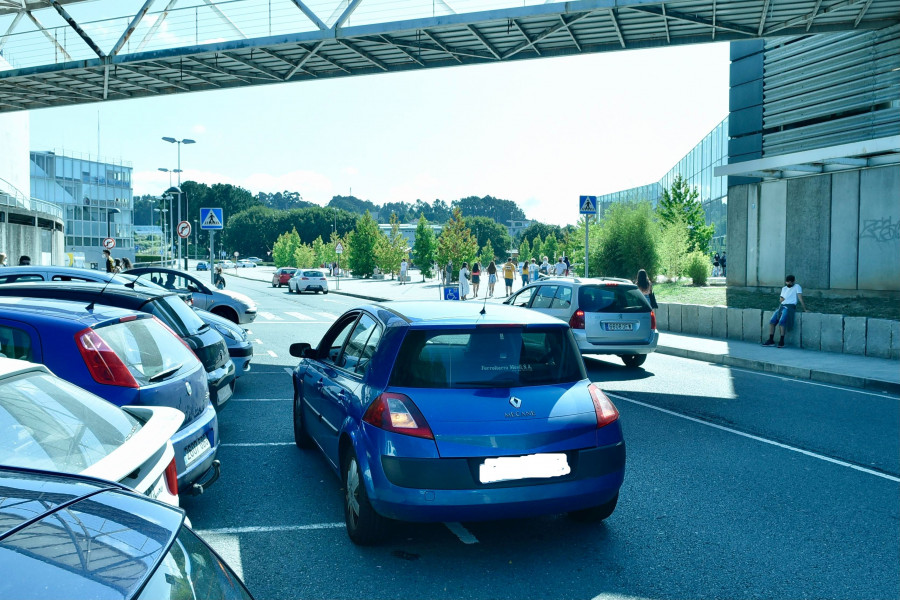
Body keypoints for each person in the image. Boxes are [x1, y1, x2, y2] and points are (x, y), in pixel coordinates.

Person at [763, 275, 808, 348]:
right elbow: (781, 299)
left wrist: (805, 309)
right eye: (787, 282)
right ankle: (771, 340)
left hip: (789, 306)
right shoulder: (784, 288)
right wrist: (781, 299)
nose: (788, 284)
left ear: (793, 281)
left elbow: (800, 298)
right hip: (782, 306)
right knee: (772, 321)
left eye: (790, 283)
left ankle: (782, 341)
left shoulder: (797, 286)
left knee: (782, 321)